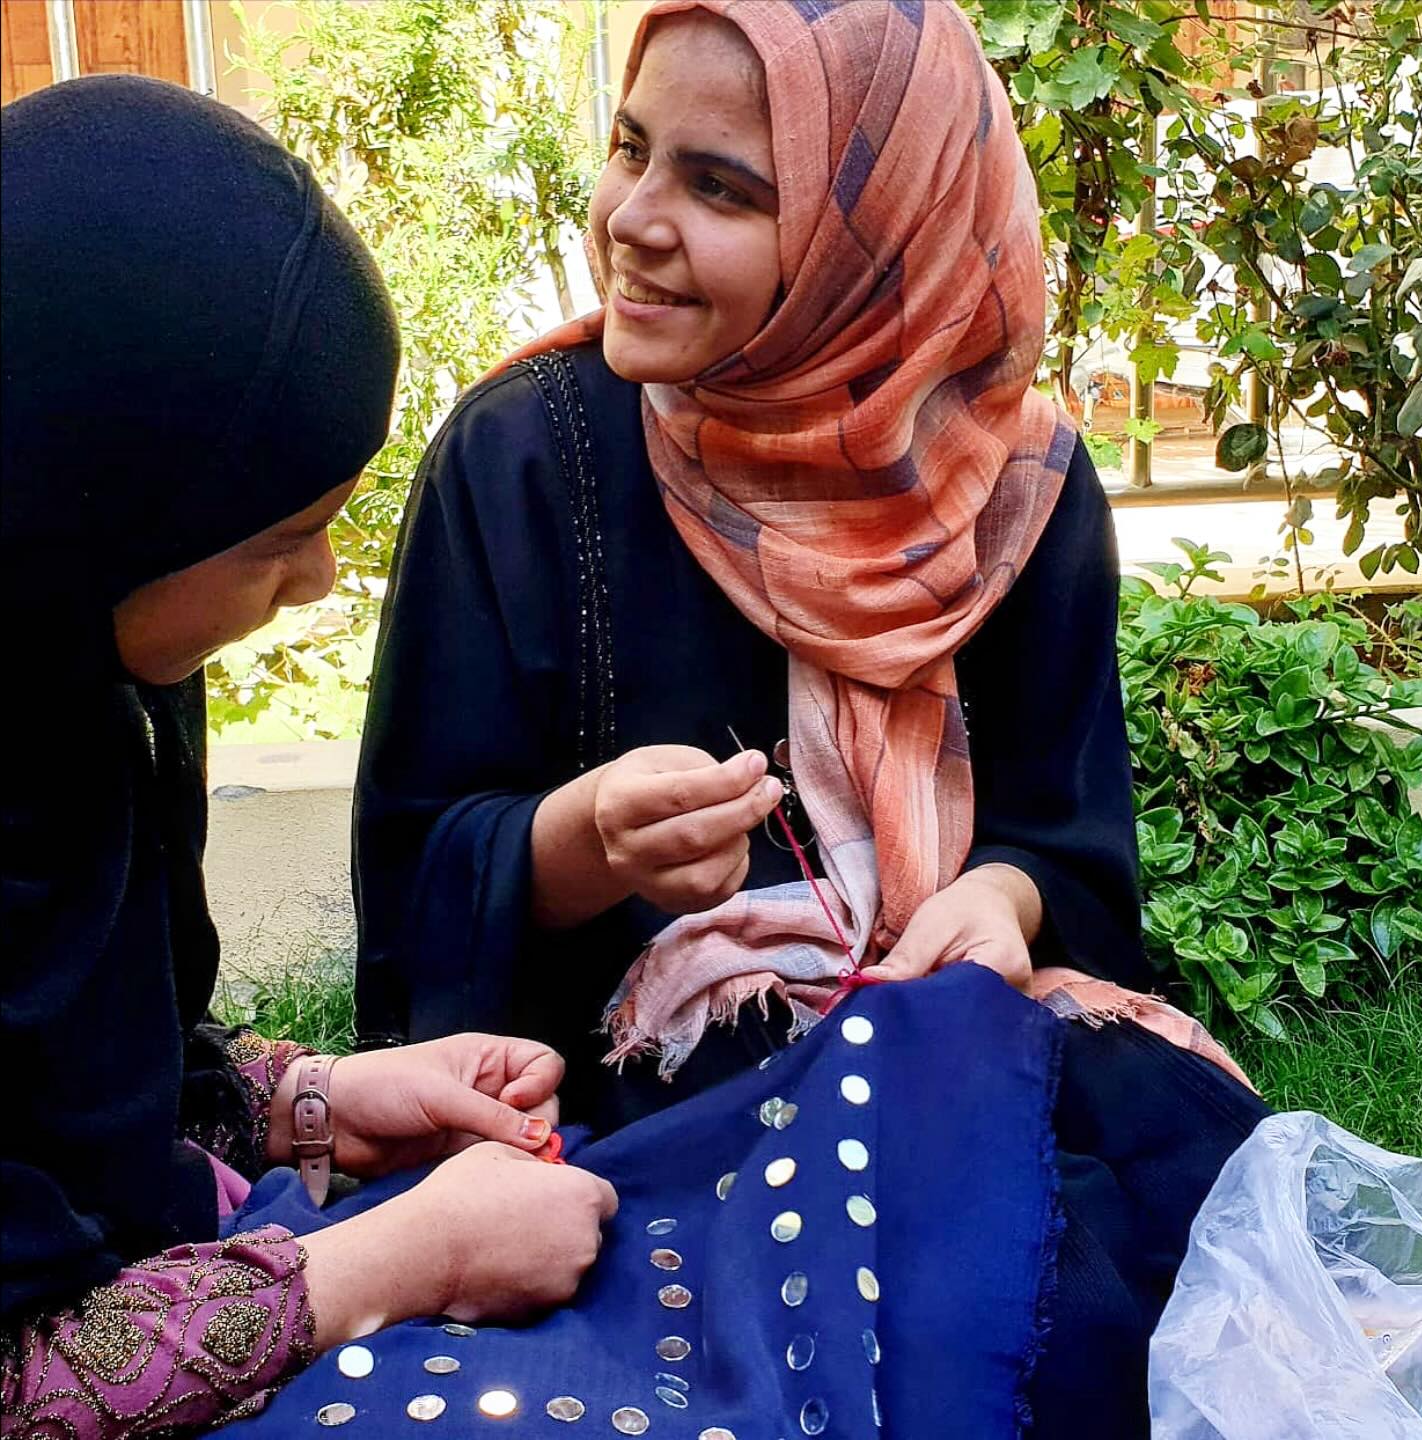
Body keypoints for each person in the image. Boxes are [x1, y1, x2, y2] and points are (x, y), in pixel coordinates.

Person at [350, 1, 1268, 1433]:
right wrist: (585, 843)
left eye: (721, 186)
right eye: (631, 149)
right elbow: (417, 881)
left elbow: (1070, 840)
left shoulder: (1013, 486)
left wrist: (1003, 905)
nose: (635, 220)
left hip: (965, 1061)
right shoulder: (524, 460)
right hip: (627, 1120)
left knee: (1078, 1317)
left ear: (876, 236)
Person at [0, 76, 616, 1438]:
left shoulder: (65, 689)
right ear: (101, 511)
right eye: (276, 544)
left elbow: (63, 1101)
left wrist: (312, 1102)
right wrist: (408, 1260)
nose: (321, 581)